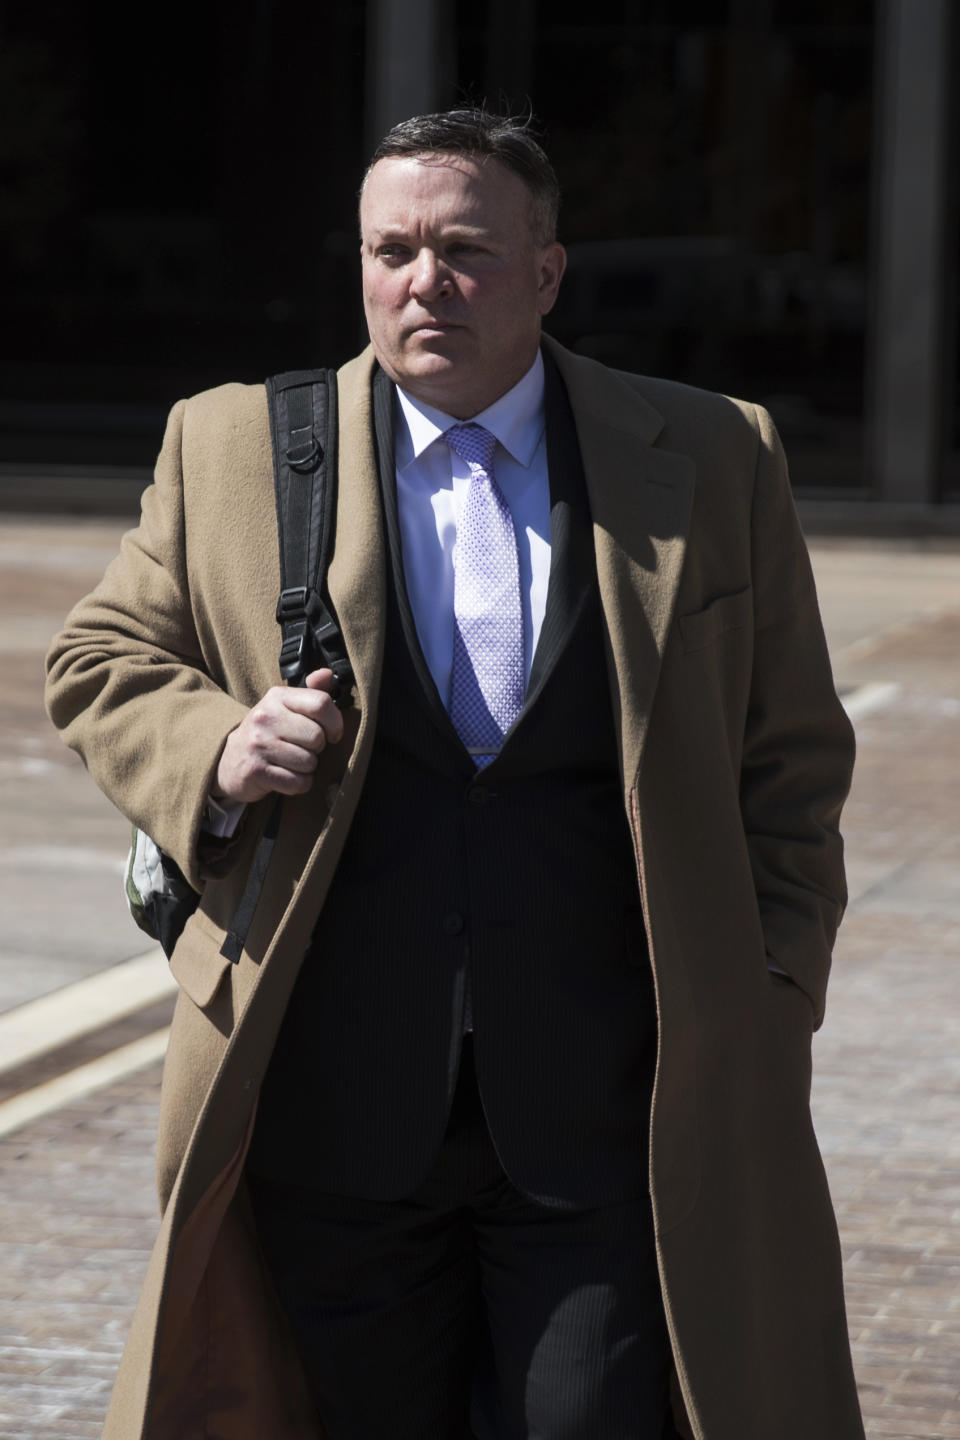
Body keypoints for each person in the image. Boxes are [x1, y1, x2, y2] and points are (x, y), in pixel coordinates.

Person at [45, 108, 864, 1440]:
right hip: (332, 1105)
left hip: (612, 1113)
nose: (424, 282)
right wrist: (218, 749)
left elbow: (794, 757)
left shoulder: (712, 455)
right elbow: (101, 662)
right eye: (392, 250)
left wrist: (774, 987)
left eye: (466, 251)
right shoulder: (236, 447)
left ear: (547, 272)